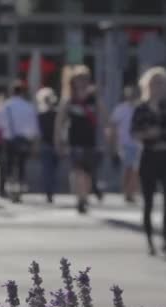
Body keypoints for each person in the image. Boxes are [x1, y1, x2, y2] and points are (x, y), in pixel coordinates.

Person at [131, 67, 166, 257]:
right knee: (148, 201)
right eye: (153, 83)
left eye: (161, 83)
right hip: (149, 155)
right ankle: (150, 241)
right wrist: (147, 134)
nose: (157, 87)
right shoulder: (140, 108)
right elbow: (133, 132)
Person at [56, 66, 103, 214]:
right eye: (78, 79)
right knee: (78, 171)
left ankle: (85, 195)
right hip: (74, 140)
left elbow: (104, 117)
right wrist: (58, 140)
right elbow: (59, 122)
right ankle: (80, 199)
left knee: (88, 173)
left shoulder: (93, 98)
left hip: (90, 141)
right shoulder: (69, 100)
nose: (81, 82)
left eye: (84, 79)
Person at [0, 80, 39, 203]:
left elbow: (1, 123)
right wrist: (32, 141)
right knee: (21, 166)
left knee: (10, 166)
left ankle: (11, 189)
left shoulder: (6, 106)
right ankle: (19, 189)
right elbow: (33, 126)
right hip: (24, 139)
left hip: (10, 140)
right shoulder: (28, 106)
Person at [109, 86, 140, 203]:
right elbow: (113, 125)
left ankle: (131, 191)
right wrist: (113, 143)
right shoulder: (120, 109)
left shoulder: (140, 108)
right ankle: (126, 192)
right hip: (125, 143)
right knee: (128, 168)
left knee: (136, 170)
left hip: (139, 144)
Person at [36, 87, 59, 203]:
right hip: (48, 144)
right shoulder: (42, 115)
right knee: (49, 170)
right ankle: (49, 192)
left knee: (50, 170)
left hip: (52, 144)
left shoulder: (56, 114)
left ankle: (49, 191)